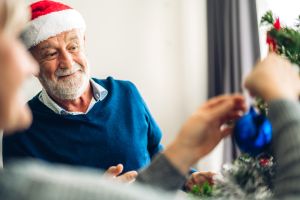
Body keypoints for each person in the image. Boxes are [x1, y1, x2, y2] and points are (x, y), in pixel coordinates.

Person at [2, 0, 214, 189]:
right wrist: (97, 195)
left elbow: (154, 151)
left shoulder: (126, 93)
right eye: (50, 53)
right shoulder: (20, 128)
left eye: (73, 47)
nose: (67, 62)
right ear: (31, 63)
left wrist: (187, 178)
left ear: (84, 43)